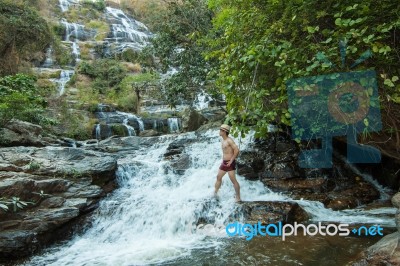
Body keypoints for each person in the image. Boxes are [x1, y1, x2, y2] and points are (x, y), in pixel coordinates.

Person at [214, 124, 241, 202]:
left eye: (220, 130)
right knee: (218, 177)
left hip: (230, 163)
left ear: (224, 131)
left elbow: (237, 150)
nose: (219, 131)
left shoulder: (229, 140)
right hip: (224, 163)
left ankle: (238, 198)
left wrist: (232, 160)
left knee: (233, 180)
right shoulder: (224, 140)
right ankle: (215, 193)